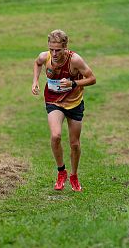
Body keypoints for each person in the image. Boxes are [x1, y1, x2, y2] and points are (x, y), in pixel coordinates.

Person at [32, 29, 96, 191]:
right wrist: (35, 82)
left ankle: (74, 176)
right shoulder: (44, 56)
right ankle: (61, 172)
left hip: (74, 103)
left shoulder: (75, 60)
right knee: (56, 135)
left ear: (65, 47)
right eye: (51, 49)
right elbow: (37, 63)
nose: (53, 53)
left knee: (74, 144)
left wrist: (74, 84)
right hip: (54, 102)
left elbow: (92, 79)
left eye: (58, 50)